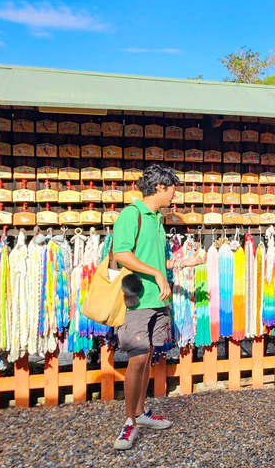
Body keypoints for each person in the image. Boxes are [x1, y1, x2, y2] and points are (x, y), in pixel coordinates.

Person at [112, 165, 206, 451]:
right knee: (138, 358)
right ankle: (129, 423)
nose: (175, 193)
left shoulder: (157, 220)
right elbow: (121, 253)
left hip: (157, 300)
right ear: (160, 188)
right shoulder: (132, 214)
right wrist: (155, 274)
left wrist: (182, 263)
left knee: (148, 356)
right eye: (173, 188)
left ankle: (140, 413)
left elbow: (154, 260)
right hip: (137, 301)